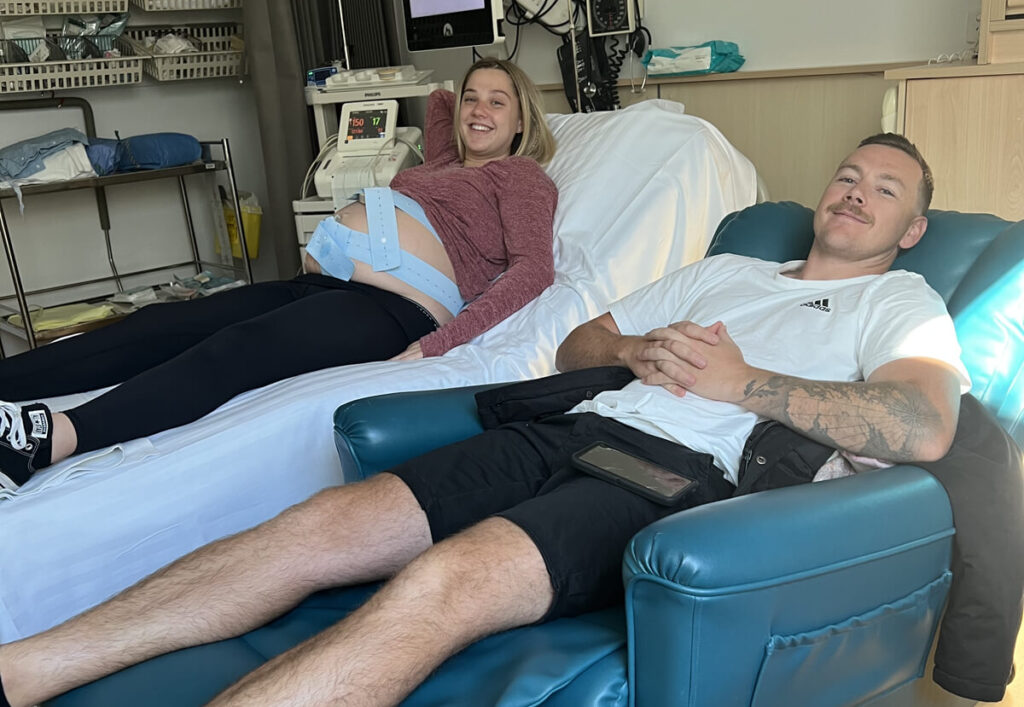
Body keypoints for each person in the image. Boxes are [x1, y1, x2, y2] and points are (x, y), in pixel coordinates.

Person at [0, 133, 970, 707]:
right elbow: (579, 341)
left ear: (911, 227)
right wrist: (632, 352)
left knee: (448, 578)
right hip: (569, 426)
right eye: (848, 173)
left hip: (675, 477)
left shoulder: (899, 303)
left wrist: (741, 379)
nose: (855, 192)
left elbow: (921, 426)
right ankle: (23, 666)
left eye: (885, 189)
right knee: (311, 527)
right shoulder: (730, 269)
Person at [0, 57, 558, 491]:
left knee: (237, 348)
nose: (477, 110)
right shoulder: (442, 164)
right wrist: (466, 99)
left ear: (522, 122)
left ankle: (49, 441)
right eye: (472, 98)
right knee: (163, 324)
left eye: (498, 103)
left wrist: (442, 343)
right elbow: (438, 101)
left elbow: (533, 270)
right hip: (325, 284)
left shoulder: (519, 175)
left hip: (392, 307)